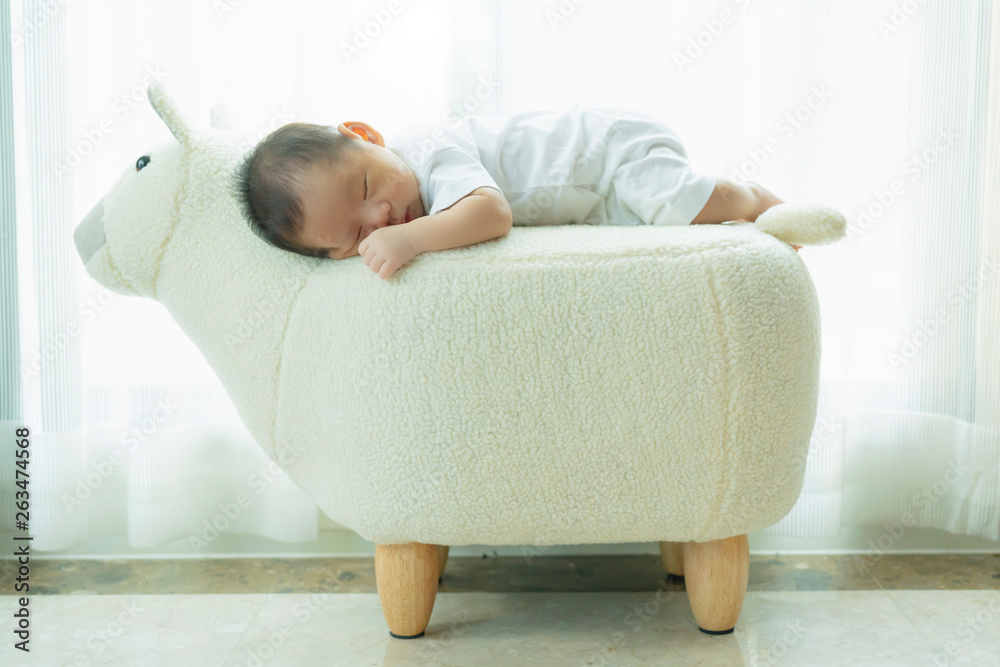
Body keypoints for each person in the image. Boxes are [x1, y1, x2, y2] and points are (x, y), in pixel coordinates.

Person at [232, 103, 797, 281]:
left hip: (608, 153)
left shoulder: (429, 152)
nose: (380, 215)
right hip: (592, 200)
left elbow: (492, 213)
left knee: (683, 204)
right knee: (667, 225)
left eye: (365, 186)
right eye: (355, 235)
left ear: (368, 138)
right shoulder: (398, 195)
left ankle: (755, 201)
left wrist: (407, 241)